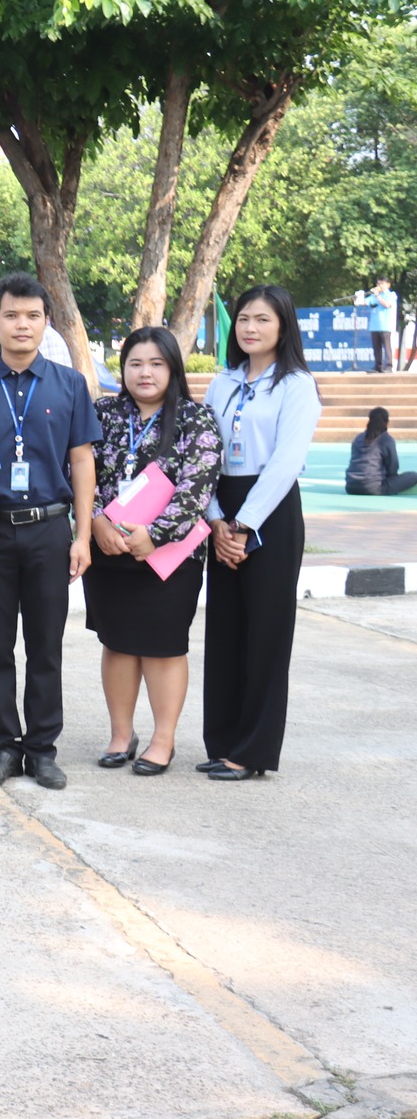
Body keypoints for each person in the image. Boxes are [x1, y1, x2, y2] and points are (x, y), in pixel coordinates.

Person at [0, 274, 100, 790]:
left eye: (33, 316)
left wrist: (82, 535)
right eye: (12, 315)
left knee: (46, 646)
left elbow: (82, 461)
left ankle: (42, 749)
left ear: (46, 323)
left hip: (49, 530)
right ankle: (2, 747)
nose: (22, 324)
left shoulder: (69, 385)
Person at [86, 328, 222, 775]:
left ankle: (163, 740)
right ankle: (121, 735)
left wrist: (155, 535)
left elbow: (198, 486)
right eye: (135, 364)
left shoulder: (195, 419)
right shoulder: (102, 414)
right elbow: (78, 468)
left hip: (170, 556)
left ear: (173, 368)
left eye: (156, 364)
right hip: (108, 549)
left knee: (164, 647)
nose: (145, 373)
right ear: (122, 369)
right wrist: (95, 520)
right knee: (117, 642)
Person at [201, 285, 323, 781]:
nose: (250, 328)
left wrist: (244, 524)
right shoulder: (222, 383)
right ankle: (223, 742)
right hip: (221, 508)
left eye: (263, 320)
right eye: (245, 318)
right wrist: (216, 520)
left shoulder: (296, 385)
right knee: (225, 630)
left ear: (283, 326)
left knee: (266, 634)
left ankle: (253, 751)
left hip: (270, 510)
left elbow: (286, 462)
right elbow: (202, 455)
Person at [346, 407, 415, 495]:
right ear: (387, 422)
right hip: (374, 487)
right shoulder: (386, 439)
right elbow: (392, 467)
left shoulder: (358, 438)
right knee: (413, 476)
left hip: (350, 486)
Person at [356, 280, 398, 374]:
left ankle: (389, 366)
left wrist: (377, 296)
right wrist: (358, 298)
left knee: (387, 347)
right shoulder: (373, 296)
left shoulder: (391, 295)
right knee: (376, 347)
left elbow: (387, 305)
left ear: (388, 285)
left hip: (386, 326)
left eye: (382, 283)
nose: (380, 285)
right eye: (378, 284)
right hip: (374, 326)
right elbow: (365, 302)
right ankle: (378, 366)